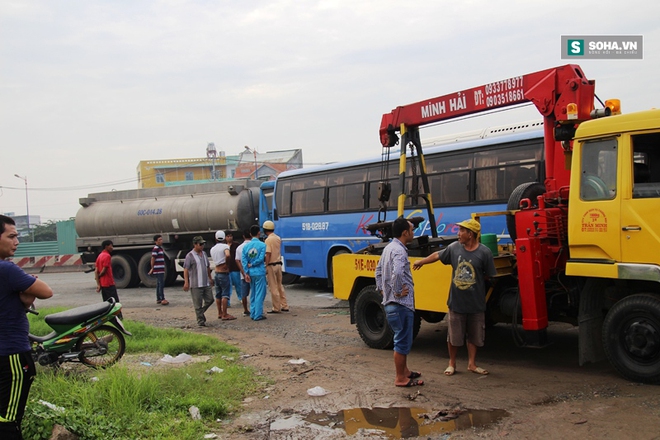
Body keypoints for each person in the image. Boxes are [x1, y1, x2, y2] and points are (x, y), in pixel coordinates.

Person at [413, 218, 496, 376]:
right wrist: (422, 261)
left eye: (461, 231)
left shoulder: (485, 252)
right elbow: (438, 255)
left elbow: (490, 275)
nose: (458, 234)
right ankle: (452, 363)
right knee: (454, 337)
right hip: (456, 303)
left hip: (476, 304)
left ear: (470, 234)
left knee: (475, 336)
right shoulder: (454, 248)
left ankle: (472, 364)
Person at [0, 215, 53, 439]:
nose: (17, 241)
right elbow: (46, 291)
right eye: (11, 236)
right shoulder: (7, 270)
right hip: (11, 355)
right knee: (8, 421)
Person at [375, 217, 423, 387]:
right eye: (411, 229)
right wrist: (396, 292)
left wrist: (383, 290)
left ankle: (406, 372)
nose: (413, 232)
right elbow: (397, 273)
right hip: (400, 305)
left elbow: (378, 270)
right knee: (402, 341)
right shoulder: (400, 251)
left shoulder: (389, 248)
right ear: (405, 233)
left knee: (401, 339)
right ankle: (400, 378)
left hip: (392, 304)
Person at [183, 236, 215, 327]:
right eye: (200, 244)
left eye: (203, 244)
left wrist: (210, 278)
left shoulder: (204, 254)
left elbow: (207, 267)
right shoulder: (190, 256)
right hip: (196, 284)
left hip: (205, 282)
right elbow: (186, 269)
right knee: (198, 303)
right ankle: (201, 321)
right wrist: (186, 282)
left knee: (210, 299)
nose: (202, 246)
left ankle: (200, 313)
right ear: (195, 245)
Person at [242, 225, 267, 321]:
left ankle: (252, 313)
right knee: (260, 294)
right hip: (259, 272)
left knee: (253, 293)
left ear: (250, 234)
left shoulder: (246, 247)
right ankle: (258, 314)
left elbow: (244, 261)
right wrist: (253, 264)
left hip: (251, 273)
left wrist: (246, 272)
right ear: (259, 233)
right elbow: (261, 259)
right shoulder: (262, 245)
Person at [263, 220, 289, 313]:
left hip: (271, 265)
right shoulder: (278, 238)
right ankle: (284, 305)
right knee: (279, 285)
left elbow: (268, 254)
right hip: (279, 264)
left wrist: (266, 265)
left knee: (273, 287)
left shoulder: (268, 240)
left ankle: (276, 307)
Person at [210, 231, 235, 321]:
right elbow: (227, 255)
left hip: (216, 272)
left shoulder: (212, 249)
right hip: (224, 273)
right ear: (224, 238)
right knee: (225, 294)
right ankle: (225, 314)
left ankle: (219, 313)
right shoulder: (225, 246)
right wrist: (226, 264)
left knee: (218, 294)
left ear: (216, 238)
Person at [95, 240, 121, 305]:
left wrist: (98, 283)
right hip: (109, 283)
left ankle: (108, 315)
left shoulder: (99, 256)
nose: (112, 248)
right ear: (106, 246)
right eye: (111, 246)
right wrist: (100, 276)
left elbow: (96, 271)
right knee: (115, 302)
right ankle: (117, 315)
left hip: (103, 284)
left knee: (107, 303)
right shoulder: (107, 256)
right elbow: (104, 270)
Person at [234, 230, 251, 316]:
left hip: (243, 274)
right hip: (254, 272)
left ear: (243, 236)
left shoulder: (239, 248)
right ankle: (256, 308)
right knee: (255, 292)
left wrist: (243, 271)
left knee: (244, 293)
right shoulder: (253, 246)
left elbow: (237, 260)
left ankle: (245, 309)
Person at [148, 234, 169, 305]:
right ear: (156, 241)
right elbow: (153, 258)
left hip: (160, 268)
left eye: (161, 239)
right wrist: (152, 268)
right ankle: (162, 298)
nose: (161, 241)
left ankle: (158, 299)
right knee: (161, 284)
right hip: (158, 269)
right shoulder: (156, 249)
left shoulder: (160, 248)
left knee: (158, 284)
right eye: (159, 240)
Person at [226, 232, 241, 307]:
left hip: (235, 268)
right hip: (227, 269)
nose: (229, 237)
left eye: (230, 236)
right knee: (228, 287)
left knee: (238, 284)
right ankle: (227, 302)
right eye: (228, 236)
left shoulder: (236, 245)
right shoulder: (224, 246)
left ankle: (241, 298)